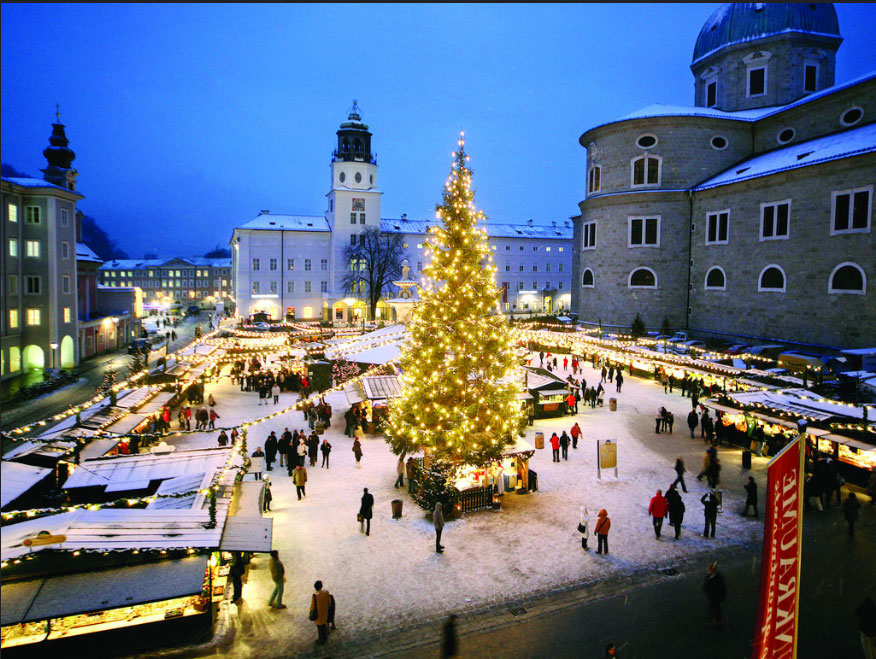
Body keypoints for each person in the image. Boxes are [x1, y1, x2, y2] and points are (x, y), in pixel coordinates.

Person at [703, 561, 727, 626]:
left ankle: (717, 620)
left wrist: (722, 596)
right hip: (712, 596)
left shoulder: (718, 578)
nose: (708, 571)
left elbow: (722, 588)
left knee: (716, 608)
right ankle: (716, 619)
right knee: (713, 607)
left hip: (716, 596)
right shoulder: (709, 577)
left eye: (709, 570)